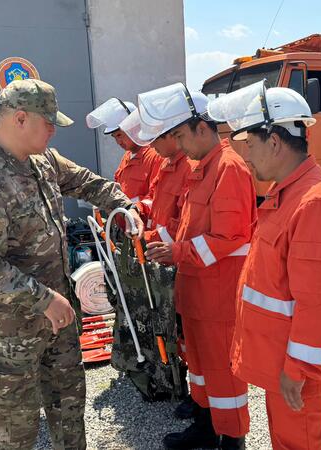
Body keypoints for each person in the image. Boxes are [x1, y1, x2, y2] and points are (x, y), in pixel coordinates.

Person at [0, 79, 143, 450]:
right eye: (48, 122)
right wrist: (44, 299)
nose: (53, 130)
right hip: (12, 327)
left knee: (68, 403)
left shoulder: (43, 161)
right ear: (20, 118)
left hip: (58, 316)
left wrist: (124, 205)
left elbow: (86, 182)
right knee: (19, 420)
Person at [208, 81, 321, 449]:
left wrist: (297, 369)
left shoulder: (313, 203)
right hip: (285, 359)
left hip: (297, 369)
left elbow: (319, 301)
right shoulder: (290, 193)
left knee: (298, 443)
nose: (245, 156)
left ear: (274, 141)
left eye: (249, 144)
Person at [142, 83, 255, 450]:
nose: (179, 144)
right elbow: (188, 227)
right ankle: (206, 427)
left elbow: (229, 237)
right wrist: (161, 241)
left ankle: (232, 440)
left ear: (202, 128)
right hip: (196, 292)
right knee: (201, 368)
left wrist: (177, 252)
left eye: (180, 136)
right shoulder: (202, 168)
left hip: (218, 296)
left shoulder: (228, 168)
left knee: (224, 373)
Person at [119, 108, 199, 420]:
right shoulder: (168, 164)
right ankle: (180, 384)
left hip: (174, 258)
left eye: (156, 140)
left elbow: (183, 222)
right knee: (171, 327)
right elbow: (156, 200)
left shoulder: (189, 166)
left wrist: (150, 237)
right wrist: (138, 210)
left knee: (183, 330)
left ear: (173, 137)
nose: (151, 146)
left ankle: (194, 392)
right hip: (160, 255)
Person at [86, 97, 162, 202]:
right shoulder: (127, 156)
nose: (118, 142)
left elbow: (156, 198)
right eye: (115, 137)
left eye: (119, 135)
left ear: (134, 127)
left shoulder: (156, 155)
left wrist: (126, 206)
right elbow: (120, 190)